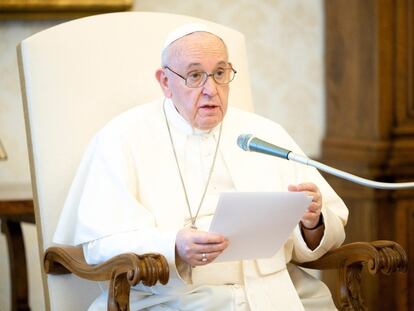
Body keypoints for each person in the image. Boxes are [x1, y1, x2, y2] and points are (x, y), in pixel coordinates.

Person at [54, 23, 348, 311]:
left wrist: (313, 222)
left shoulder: (264, 133)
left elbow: (328, 229)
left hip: (277, 291)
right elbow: (98, 246)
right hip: (173, 297)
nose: (211, 89)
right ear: (165, 82)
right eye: (195, 75)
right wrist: (173, 244)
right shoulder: (121, 138)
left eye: (220, 73)